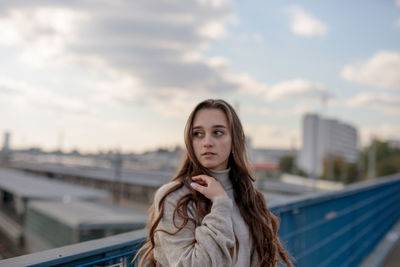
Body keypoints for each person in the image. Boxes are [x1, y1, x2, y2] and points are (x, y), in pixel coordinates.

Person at [136, 99, 293, 267]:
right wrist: (221, 204)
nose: (207, 142)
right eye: (198, 134)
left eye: (218, 132)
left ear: (234, 139)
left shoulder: (248, 196)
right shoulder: (174, 196)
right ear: (190, 141)